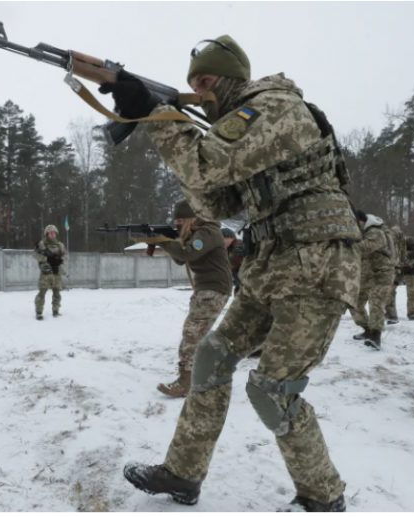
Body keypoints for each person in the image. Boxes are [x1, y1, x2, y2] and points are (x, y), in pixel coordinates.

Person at [101, 34, 360, 511]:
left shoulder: (273, 106)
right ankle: (183, 474)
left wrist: (157, 115)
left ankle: (324, 497)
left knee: (273, 392)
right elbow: (215, 200)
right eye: (191, 85)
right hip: (272, 263)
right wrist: (160, 119)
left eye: (204, 82)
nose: (199, 92)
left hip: (318, 262)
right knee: (211, 358)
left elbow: (201, 168)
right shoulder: (240, 130)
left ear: (228, 78)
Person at [155, 200, 231, 398]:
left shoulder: (207, 233)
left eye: (181, 219)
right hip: (207, 290)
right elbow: (181, 258)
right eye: (176, 220)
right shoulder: (200, 234)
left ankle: (186, 383)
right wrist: (171, 240)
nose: (178, 223)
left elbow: (188, 253)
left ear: (192, 218)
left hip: (212, 290)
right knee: (198, 336)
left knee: (191, 336)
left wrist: (165, 241)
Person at [349, 210, 394, 351]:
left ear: (362, 221)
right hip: (365, 275)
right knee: (354, 302)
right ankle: (367, 329)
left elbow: (367, 247)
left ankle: (376, 335)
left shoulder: (375, 231)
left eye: (356, 222)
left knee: (376, 303)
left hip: (381, 274)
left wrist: (350, 244)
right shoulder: (360, 232)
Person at [385, 226, 414, 322]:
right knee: (389, 290)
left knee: (412, 292)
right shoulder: (389, 244)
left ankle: (412, 314)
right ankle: (391, 314)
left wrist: (405, 255)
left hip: (411, 269)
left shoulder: (408, 240)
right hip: (397, 270)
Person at [33, 224, 67, 320]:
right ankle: (39, 312)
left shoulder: (60, 245)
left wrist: (60, 260)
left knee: (57, 293)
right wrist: (47, 259)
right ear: (47, 234)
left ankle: (55, 311)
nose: (52, 235)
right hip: (46, 274)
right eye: (50, 233)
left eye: (54, 233)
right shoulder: (42, 245)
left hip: (56, 273)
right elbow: (35, 255)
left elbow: (66, 255)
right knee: (42, 293)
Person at [221, 227, 244, 295]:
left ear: (231, 238)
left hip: (248, 283)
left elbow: (229, 266)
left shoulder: (239, 247)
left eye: (222, 239)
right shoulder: (230, 248)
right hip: (242, 283)